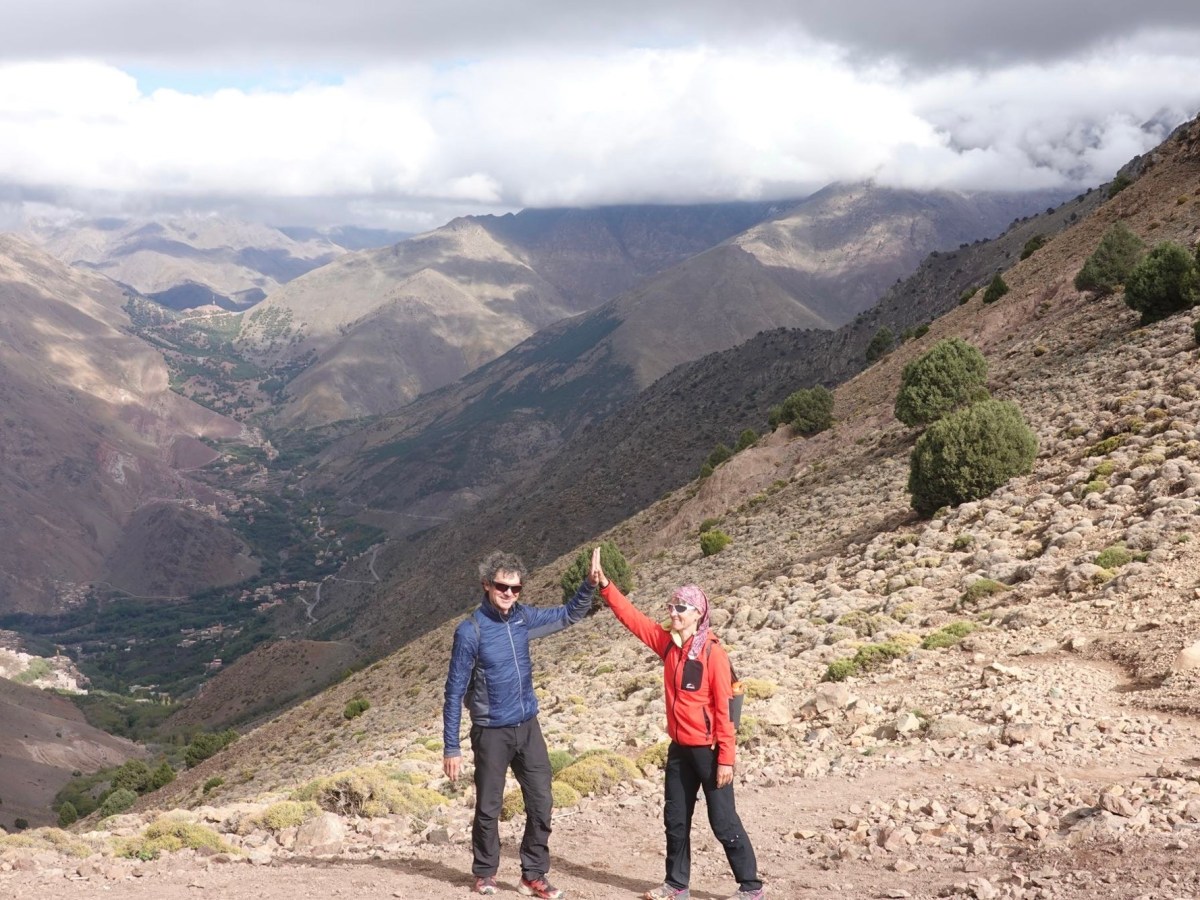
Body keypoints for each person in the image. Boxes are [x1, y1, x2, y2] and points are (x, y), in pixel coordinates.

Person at [595, 556, 765, 900]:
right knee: (675, 818)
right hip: (679, 748)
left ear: (697, 613)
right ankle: (676, 885)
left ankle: (751, 887)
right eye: (672, 606)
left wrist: (727, 759)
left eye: (681, 607)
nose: (673, 612)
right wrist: (605, 587)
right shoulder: (669, 645)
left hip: (710, 750)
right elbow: (634, 620)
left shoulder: (712, 653)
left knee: (723, 821)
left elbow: (723, 710)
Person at [444, 549, 600, 898]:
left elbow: (568, 616)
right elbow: (453, 692)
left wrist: (588, 585)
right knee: (489, 806)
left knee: (542, 800)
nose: (510, 594)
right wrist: (451, 747)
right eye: (503, 587)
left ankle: (533, 874)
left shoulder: (523, 618)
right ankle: (485, 873)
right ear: (486, 585)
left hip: (528, 726)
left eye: (517, 589)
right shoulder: (470, 632)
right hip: (491, 731)